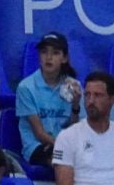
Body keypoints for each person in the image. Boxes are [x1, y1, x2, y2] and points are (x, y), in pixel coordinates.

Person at [15, 31, 80, 165]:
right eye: (44, 52)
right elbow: (40, 134)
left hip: (65, 145)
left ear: (64, 58)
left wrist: (76, 105)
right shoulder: (26, 87)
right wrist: (66, 148)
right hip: (38, 146)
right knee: (60, 159)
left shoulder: (73, 86)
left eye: (55, 53)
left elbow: (75, 129)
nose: (48, 57)